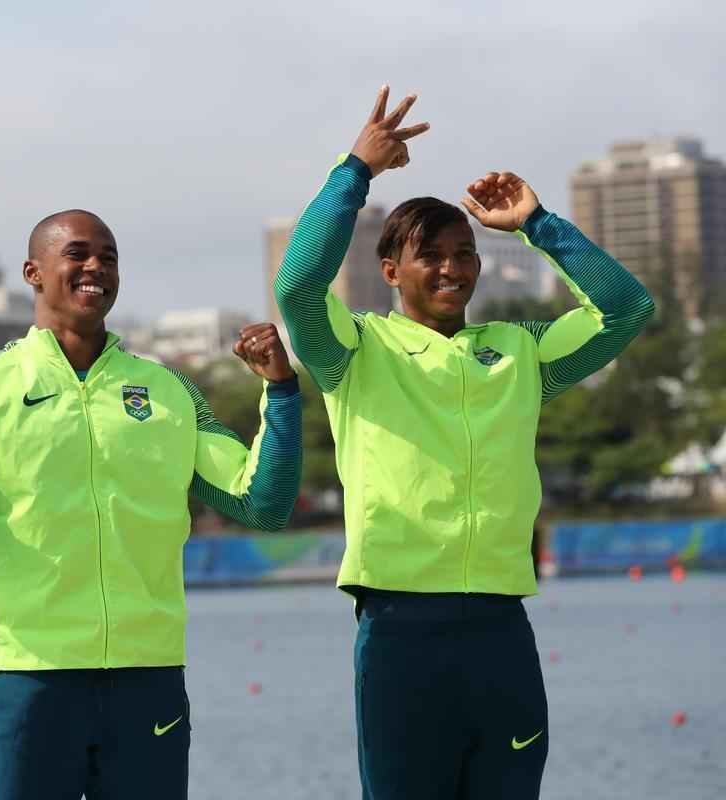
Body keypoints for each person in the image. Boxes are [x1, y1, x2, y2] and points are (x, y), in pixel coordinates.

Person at [274, 87, 654, 800]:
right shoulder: (354, 351)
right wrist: (355, 171)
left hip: (500, 627)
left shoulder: (519, 353)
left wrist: (537, 224)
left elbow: (626, 309)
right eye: (431, 255)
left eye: (465, 253)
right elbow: (297, 289)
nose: (453, 268)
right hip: (399, 629)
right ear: (391, 271)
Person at [0, 209, 303, 800]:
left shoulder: (169, 390)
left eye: (108, 257)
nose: (95, 267)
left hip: (147, 678)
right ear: (32, 272)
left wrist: (281, 392)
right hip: (29, 675)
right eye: (77, 254)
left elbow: (264, 504)